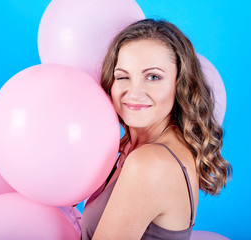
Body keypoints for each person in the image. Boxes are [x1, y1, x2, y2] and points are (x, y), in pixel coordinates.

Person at [80, 19, 232, 240]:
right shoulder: (131, 147)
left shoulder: (150, 163)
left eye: (153, 77)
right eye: (123, 76)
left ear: (179, 84)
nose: (134, 92)